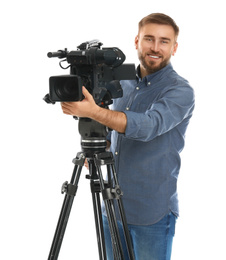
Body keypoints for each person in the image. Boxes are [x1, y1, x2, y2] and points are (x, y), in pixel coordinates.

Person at [61, 13, 195, 260]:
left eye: (164, 41)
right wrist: (102, 144)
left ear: (174, 48)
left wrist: (96, 112)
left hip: (151, 214)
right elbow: (113, 125)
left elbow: (147, 126)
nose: (155, 48)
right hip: (110, 205)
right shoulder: (121, 82)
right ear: (137, 41)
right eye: (149, 39)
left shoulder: (180, 91)